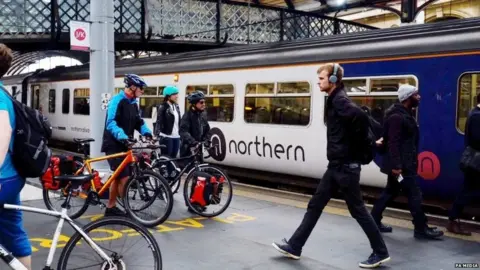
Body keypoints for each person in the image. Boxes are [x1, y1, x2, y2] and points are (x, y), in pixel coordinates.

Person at [272, 63, 390, 269]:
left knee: (358, 211)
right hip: (337, 166)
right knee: (315, 205)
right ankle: (294, 245)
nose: (318, 82)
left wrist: (367, 143)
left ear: (334, 80)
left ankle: (380, 252)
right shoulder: (335, 99)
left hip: (345, 167)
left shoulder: (341, 101)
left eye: (322, 79)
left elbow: (360, 116)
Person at [370, 84, 443, 240]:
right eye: (416, 95)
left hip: (403, 163)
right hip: (401, 166)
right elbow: (393, 143)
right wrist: (397, 166)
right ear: (408, 98)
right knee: (414, 194)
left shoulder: (403, 114)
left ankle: (374, 219)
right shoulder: (397, 117)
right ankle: (421, 228)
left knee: (391, 192)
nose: (419, 97)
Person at [101, 73, 153, 217]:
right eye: (141, 88)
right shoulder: (117, 101)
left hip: (125, 144)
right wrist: (123, 136)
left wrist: (147, 132)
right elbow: (110, 122)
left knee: (118, 177)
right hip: (113, 144)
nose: (142, 91)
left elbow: (138, 122)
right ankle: (126, 209)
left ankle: (111, 207)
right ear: (133, 87)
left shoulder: (133, 103)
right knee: (124, 178)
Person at [0, 44, 32, 269]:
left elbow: (4, 133)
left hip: (3, 178)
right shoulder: (3, 92)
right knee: (13, 233)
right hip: (12, 176)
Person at [447, 93, 480, 235]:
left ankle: (452, 220)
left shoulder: (475, 113)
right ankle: (452, 220)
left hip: (475, 161)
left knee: (468, 191)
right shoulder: (477, 116)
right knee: (467, 192)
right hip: (476, 162)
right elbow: (478, 140)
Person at [179, 90, 211, 159]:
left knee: (199, 167)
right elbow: (183, 131)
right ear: (194, 104)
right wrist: (193, 142)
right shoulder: (187, 116)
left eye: (204, 102)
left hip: (198, 149)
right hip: (188, 150)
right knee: (189, 169)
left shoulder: (202, 115)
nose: (204, 104)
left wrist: (207, 141)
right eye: (201, 102)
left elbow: (207, 129)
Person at [155, 85, 181, 160]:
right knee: (166, 159)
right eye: (174, 94)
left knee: (173, 159)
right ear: (168, 96)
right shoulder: (163, 107)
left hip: (176, 136)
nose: (177, 96)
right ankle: (164, 172)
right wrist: (157, 135)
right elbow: (158, 121)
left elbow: (179, 121)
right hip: (166, 137)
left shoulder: (176, 106)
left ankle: (172, 172)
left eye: (177, 94)